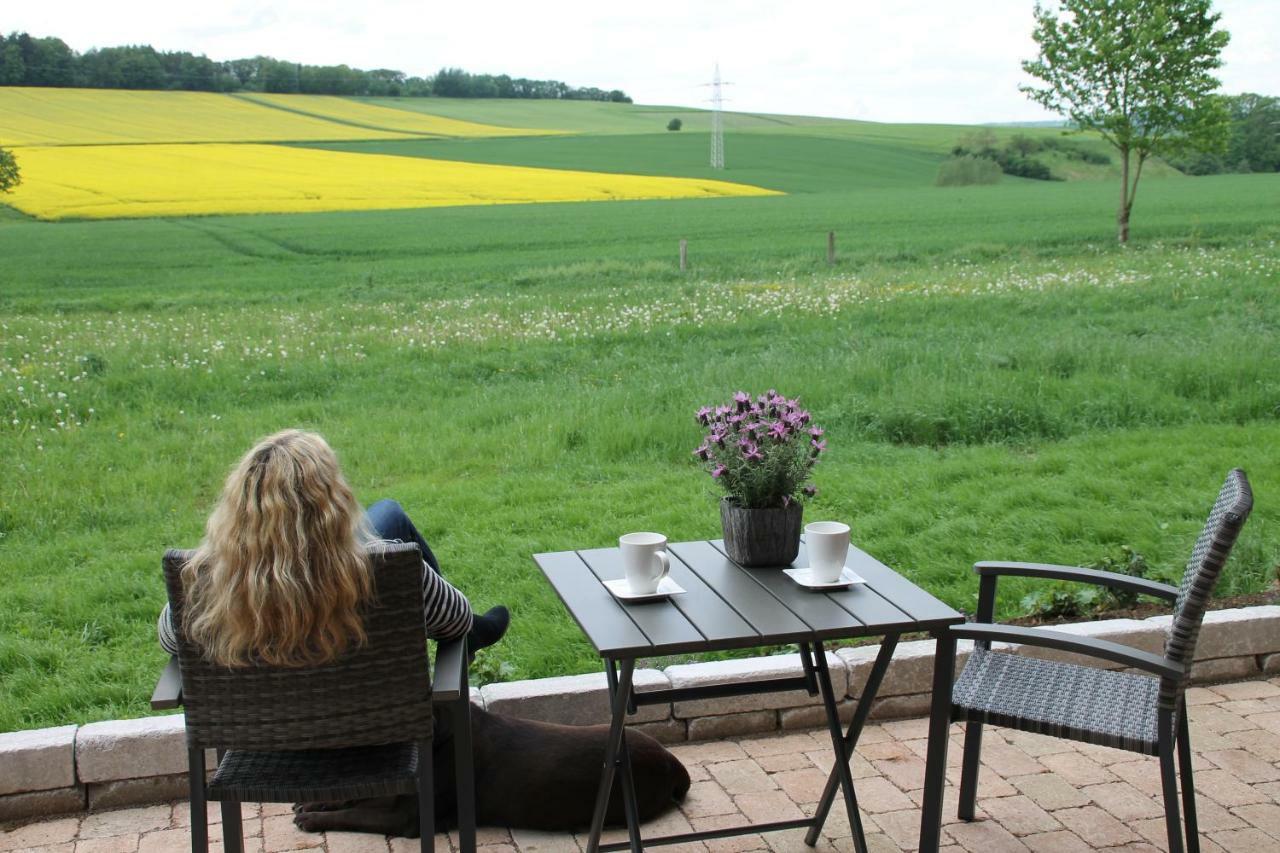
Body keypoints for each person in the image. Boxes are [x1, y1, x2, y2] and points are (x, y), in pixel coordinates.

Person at [156, 429, 508, 667]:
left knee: (388, 514)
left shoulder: (200, 581)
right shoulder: (387, 567)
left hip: (261, 741)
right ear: (333, 503)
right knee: (389, 516)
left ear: (237, 508)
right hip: (375, 731)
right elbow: (456, 618)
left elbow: (170, 640)